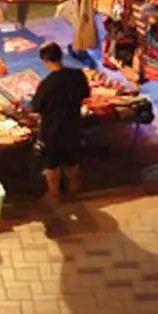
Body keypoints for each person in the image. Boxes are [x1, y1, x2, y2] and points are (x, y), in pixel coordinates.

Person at [31, 41, 91, 205]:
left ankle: (54, 193)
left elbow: (36, 106)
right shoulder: (77, 75)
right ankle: (73, 186)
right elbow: (86, 93)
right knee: (71, 157)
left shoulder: (47, 84)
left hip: (52, 128)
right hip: (73, 123)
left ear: (45, 61)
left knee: (52, 162)